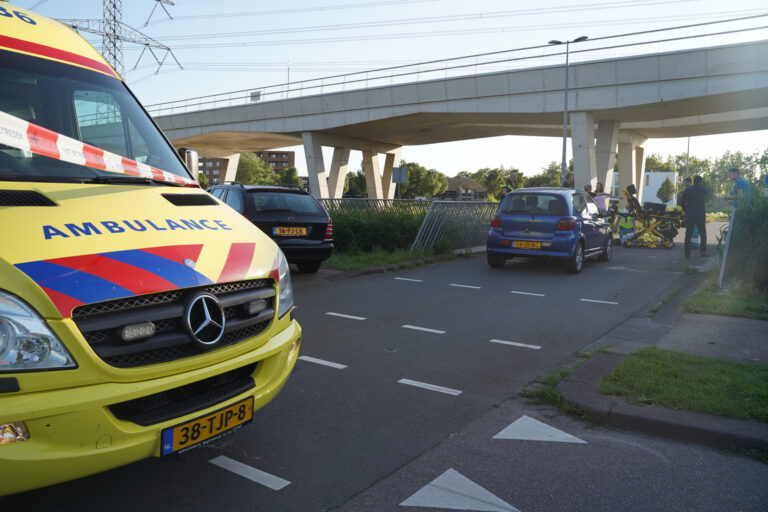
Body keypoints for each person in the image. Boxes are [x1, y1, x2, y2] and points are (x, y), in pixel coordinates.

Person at [678, 175, 708, 259]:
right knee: (703, 233)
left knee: (688, 234)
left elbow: (682, 203)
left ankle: (687, 254)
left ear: (693, 181)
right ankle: (703, 251)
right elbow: (705, 193)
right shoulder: (703, 189)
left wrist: (686, 210)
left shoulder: (688, 190)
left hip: (690, 214)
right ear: (701, 182)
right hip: (701, 214)